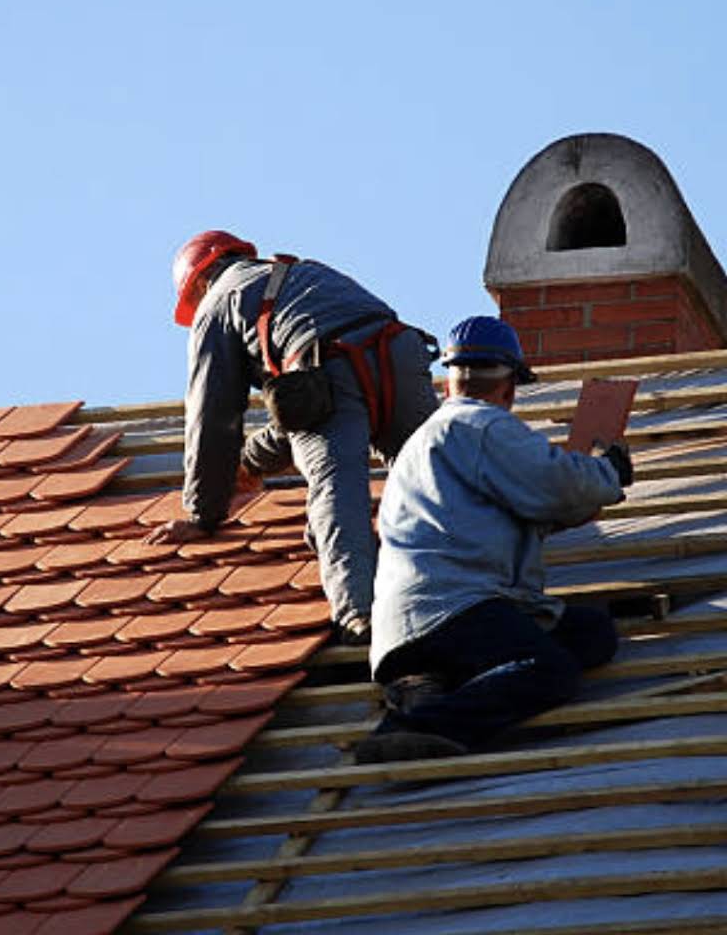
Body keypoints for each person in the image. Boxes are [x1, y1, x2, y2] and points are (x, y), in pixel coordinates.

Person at [357, 315, 632, 763]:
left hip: (417, 621)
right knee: (551, 671)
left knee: (590, 632)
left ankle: (431, 686)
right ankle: (409, 728)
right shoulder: (480, 426)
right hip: (454, 609)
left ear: (449, 381)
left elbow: (525, 509)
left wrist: (582, 499)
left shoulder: (431, 441)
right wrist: (607, 472)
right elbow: (553, 483)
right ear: (509, 388)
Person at [144, 230, 439, 644]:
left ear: (197, 285)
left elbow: (213, 414)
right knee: (436, 473)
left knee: (336, 493)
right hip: (400, 354)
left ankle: (362, 617)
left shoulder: (217, 304)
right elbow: (304, 408)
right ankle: (469, 575)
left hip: (328, 373)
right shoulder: (301, 272)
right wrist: (249, 463)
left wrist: (204, 513)